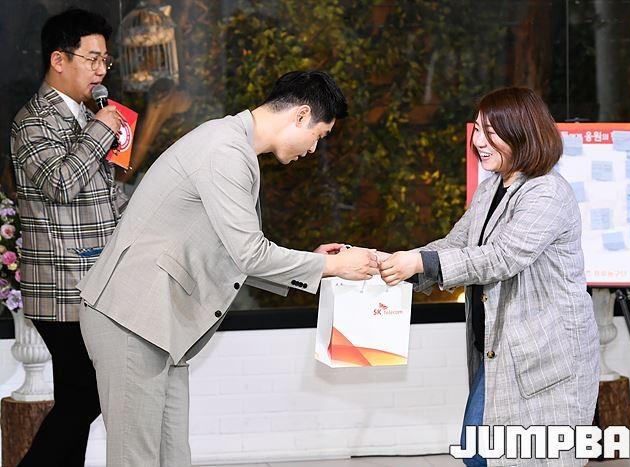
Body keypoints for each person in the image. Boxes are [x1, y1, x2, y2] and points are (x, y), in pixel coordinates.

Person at [77, 70, 378, 466]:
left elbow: (237, 253)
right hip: (132, 316)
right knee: (136, 460)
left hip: (157, 322)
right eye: (319, 136)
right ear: (301, 115)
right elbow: (250, 253)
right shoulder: (225, 151)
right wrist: (330, 265)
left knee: (172, 458)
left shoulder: (233, 146)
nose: (313, 149)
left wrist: (319, 262)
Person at [379, 87, 600, 466]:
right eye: (478, 130)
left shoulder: (547, 193)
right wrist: (388, 264)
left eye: (491, 132)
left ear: (521, 133)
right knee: (481, 453)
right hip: (500, 351)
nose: (478, 141)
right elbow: (455, 245)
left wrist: (419, 263)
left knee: (509, 457)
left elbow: (502, 257)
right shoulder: (490, 188)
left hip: (545, 358)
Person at [10, 9, 125, 467]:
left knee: (77, 399)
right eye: (92, 59)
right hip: (61, 287)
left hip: (92, 282)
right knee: (85, 396)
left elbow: (107, 197)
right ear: (59, 59)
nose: (100, 71)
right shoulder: (32, 121)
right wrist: (101, 131)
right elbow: (61, 183)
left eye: (105, 61)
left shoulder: (87, 117)